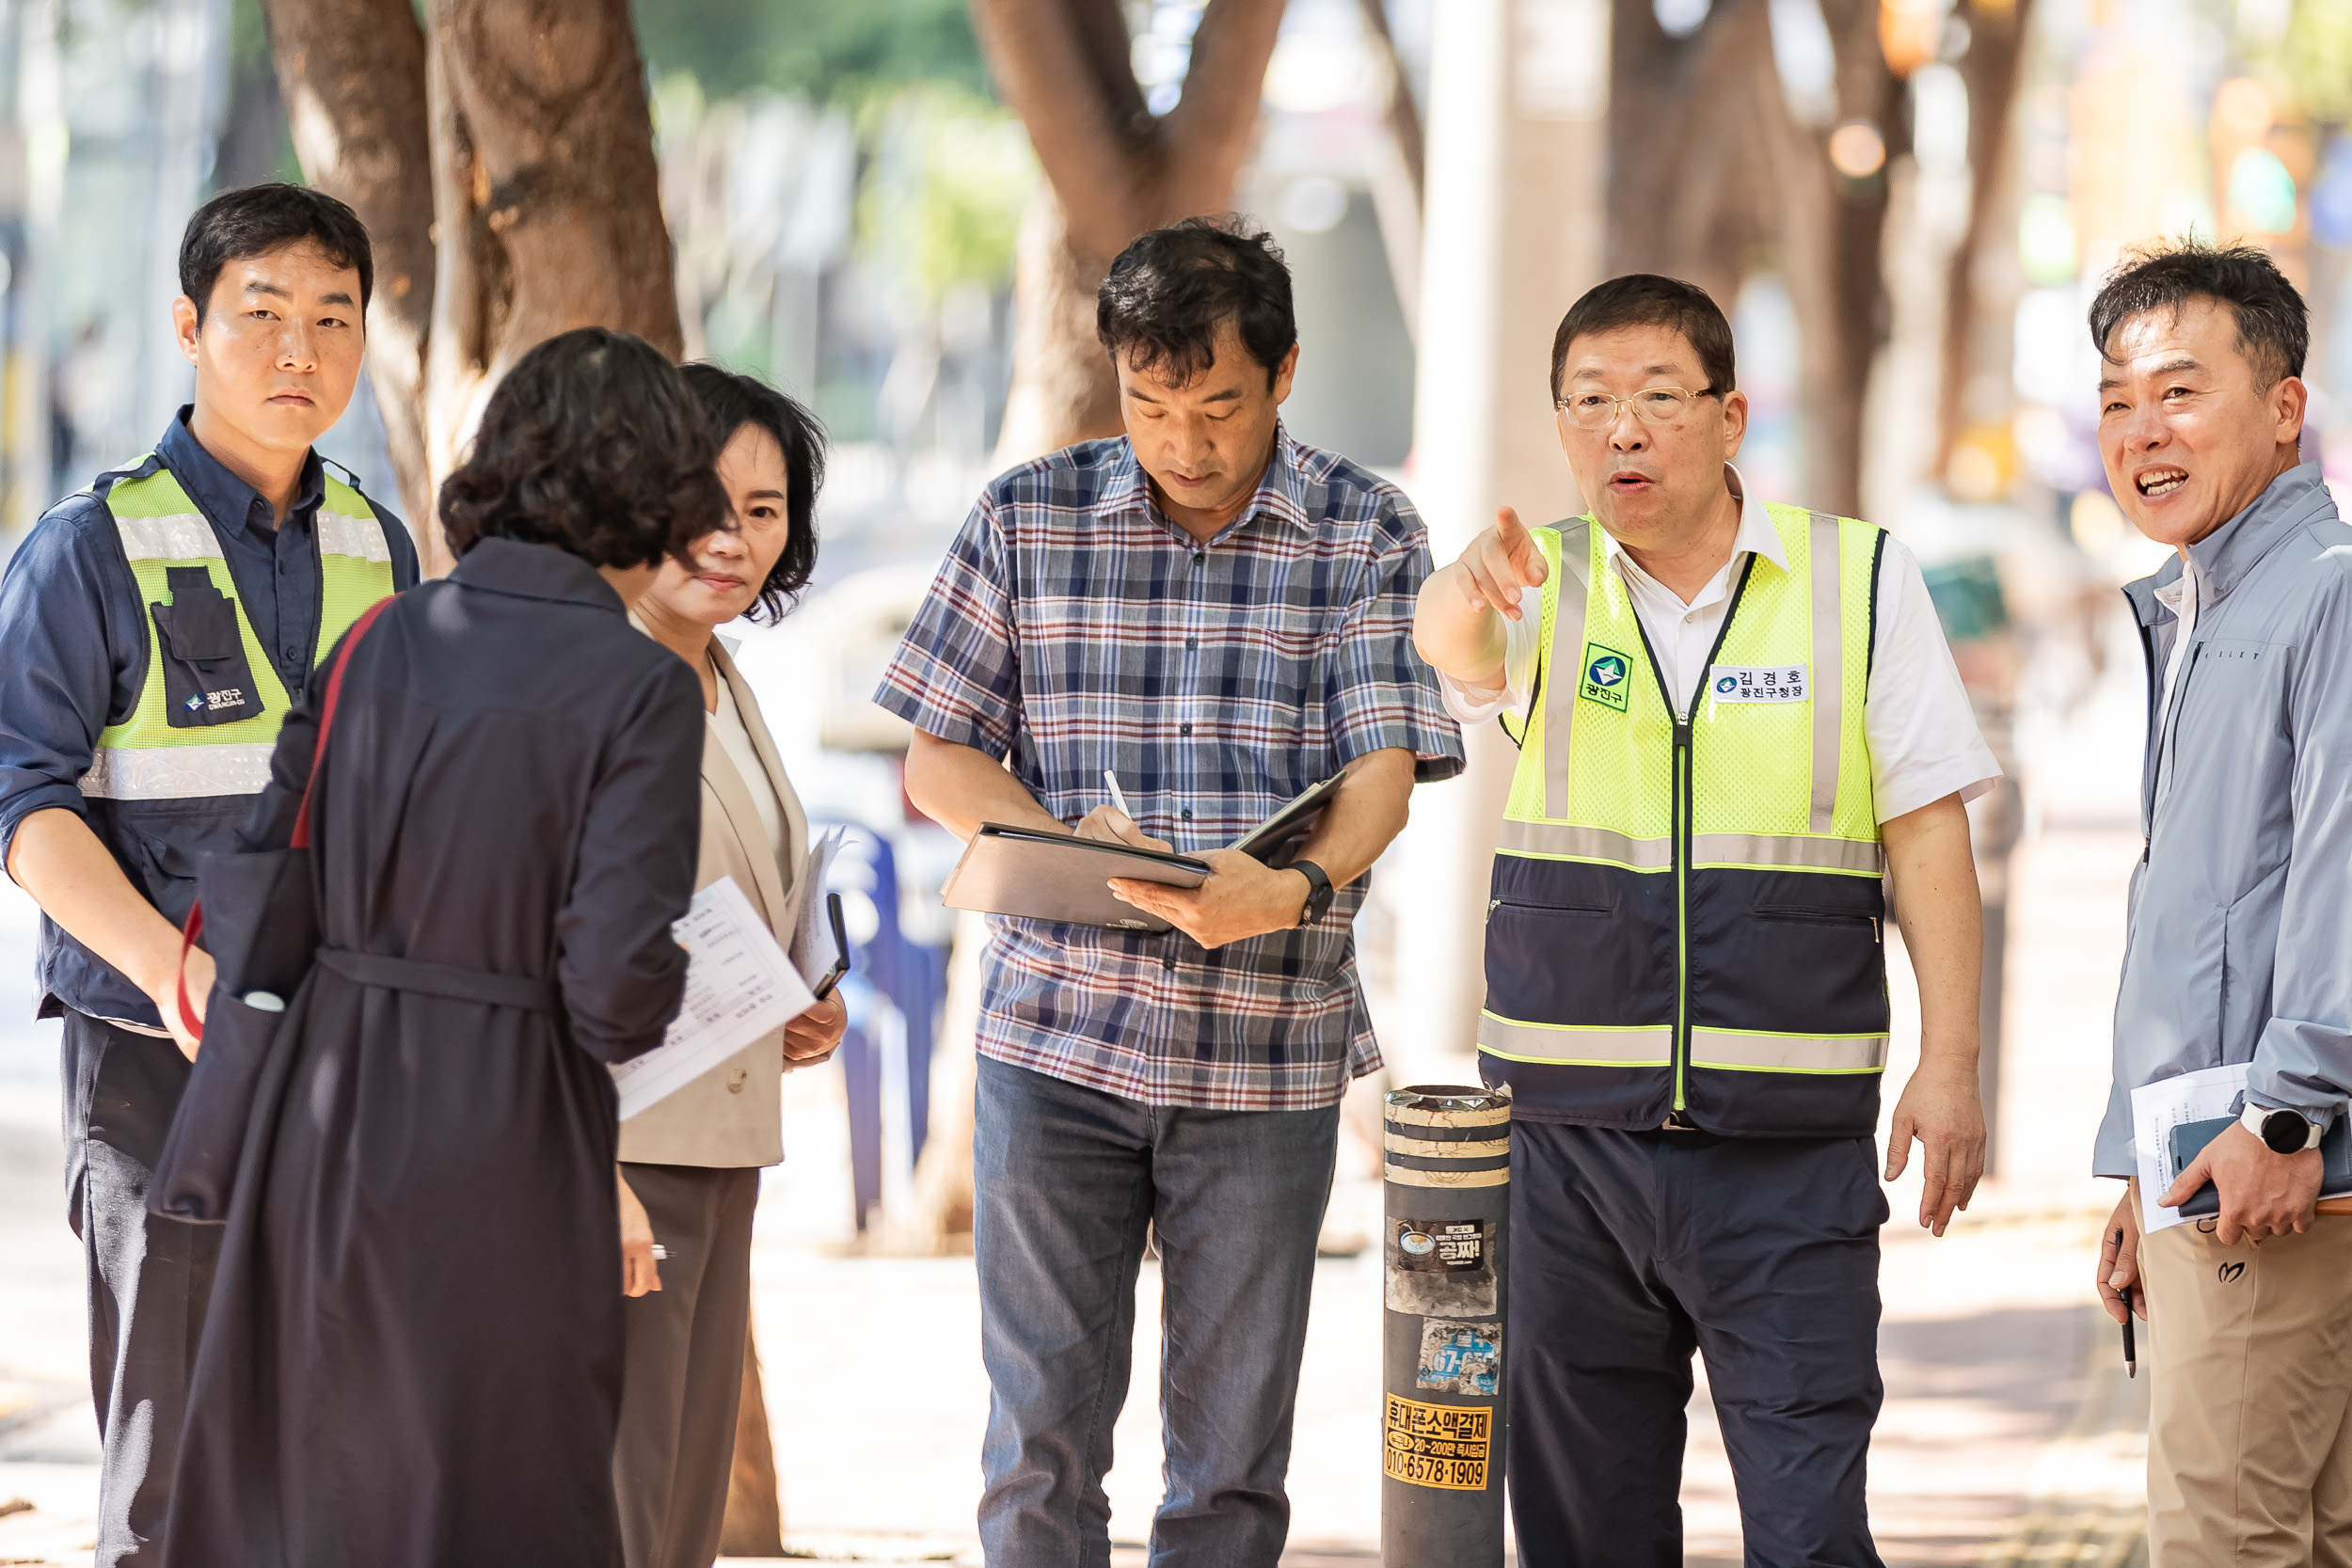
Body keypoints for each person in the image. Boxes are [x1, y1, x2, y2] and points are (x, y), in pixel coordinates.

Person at [876, 218, 1464, 1561]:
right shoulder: (1025, 514)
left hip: (1265, 1055)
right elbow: (938, 754)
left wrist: (1298, 880)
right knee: (1038, 1445)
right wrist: (1064, 844)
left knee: (1230, 1468)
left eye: (1218, 406)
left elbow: (1383, 775)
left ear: (1286, 370)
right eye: (1150, 404)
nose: (1184, 442)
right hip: (1055, 1044)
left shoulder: (1365, 527)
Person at [1412, 274, 1998, 1567]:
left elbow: (1928, 830)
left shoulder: (1856, 581)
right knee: (1584, 1534)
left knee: (1808, 1527)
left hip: (1786, 1155)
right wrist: (1462, 585)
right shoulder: (1537, 586)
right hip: (1564, 1153)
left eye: (1658, 397)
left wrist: (1950, 1064)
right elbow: (1447, 650)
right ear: (1562, 427)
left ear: (1729, 416)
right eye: (1591, 402)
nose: (1623, 429)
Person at [161, 327, 721, 1567]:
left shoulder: (378, 639)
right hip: (506, 1134)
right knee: (498, 1487)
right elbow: (618, 987)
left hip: (323, 1111)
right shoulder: (640, 688)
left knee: (324, 1483)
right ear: (653, 491)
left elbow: (264, 876)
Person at [0, 182, 419, 1567]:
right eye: (262, 315)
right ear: (188, 326)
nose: (300, 351)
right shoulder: (87, 545)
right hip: (153, 1050)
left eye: (332, 319)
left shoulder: (382, 545)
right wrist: (166, 963)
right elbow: (22, 801)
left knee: (334, 1438)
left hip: (338, 1050)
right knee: (170, 1459)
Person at [2087, 242, 2352, 1564]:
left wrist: (2288, 1109)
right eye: (2119, 399)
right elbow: (2201, 911)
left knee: (2227, 1538)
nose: (2144, 431)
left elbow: (2342, 873)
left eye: (2180, 391)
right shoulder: (2208, 603)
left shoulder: (2326, 591)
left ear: (2286, 406)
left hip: (2278, 1161)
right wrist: (2141, 1169)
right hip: (2222, 1155)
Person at [613, 363, 850, 1568]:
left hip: (722, 1135)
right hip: (624, 1149)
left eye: (765, 510)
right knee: (625, 1496)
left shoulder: (720, 674)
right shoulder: (605, 676)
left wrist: (803, 993)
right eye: (706, 500)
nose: (734, 535)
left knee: (682, 1506)